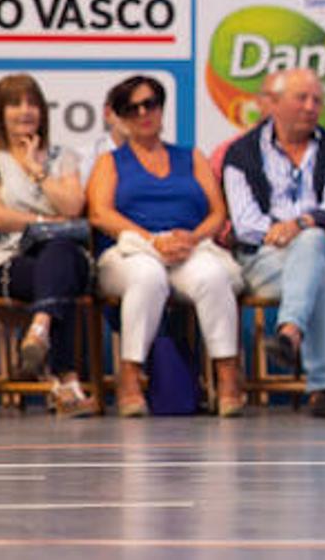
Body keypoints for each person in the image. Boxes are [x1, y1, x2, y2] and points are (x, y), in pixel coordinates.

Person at [88, 75, 243, 417]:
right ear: (119, 116)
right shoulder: (109, 162)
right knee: (147, 276)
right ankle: (130, 378)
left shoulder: (192, 157)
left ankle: (227, 376)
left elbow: (218, 212)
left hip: (188, 246)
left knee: (212, 276)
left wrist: (192, 237)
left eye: (150, 104)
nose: (143, 113)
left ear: (161, 109)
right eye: (132, 108)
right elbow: (100, 213)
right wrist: (151, 239)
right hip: (131, 249)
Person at [219, 68, 325, 418]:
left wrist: (299, 225)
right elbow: (245, 223)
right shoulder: (241, 153)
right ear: (272, 103)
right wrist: (281, 233)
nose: (311, 107)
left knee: (311, 243)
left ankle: (290, 331)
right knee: (319, 274)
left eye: (317, 100)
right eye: (301, 98)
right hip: (264, 258)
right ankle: (323, 385)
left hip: (317, 243)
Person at [0, 74, 98, 415]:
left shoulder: (60, 157)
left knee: (60, 254)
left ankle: (39, 332)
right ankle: (65, 382)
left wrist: (37, 171)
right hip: (11, 257)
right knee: (56, 276)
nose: (26, 111)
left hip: (65, 254)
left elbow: (72, 208)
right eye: (15, 103)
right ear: (0, 112)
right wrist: (42, 222)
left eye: (32, 103)